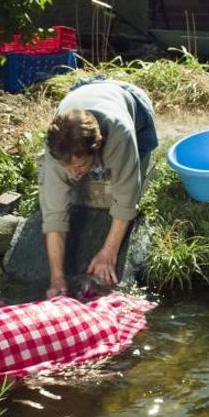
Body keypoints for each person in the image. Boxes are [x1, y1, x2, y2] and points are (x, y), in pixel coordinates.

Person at [39, 78, 158, 299]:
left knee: (133, 175)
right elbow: (54, 214)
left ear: (97, 147)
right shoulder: (57, 148)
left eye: (81, 165)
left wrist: (108, 252)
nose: (75, 173)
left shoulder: (119, 133)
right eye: (69, 167)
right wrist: (56, 278)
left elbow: (126, 198)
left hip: (131, 101)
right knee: (60, 184)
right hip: (82, 93)